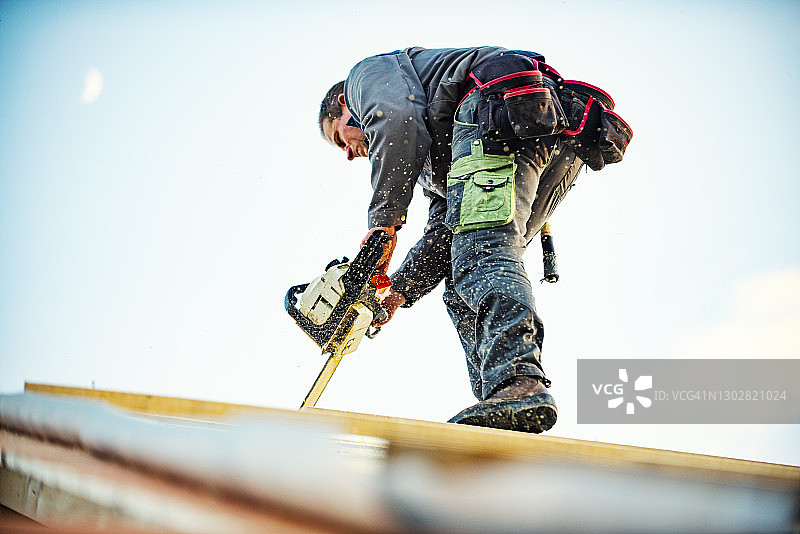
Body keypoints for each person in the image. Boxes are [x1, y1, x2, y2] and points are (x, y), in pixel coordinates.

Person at [318, 46, 631, 433]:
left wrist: (384, 223)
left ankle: (518, 383)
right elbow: (446, 230)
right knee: (466, 280)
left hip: (497, 109)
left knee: (483, 256)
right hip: (545, 128)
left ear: (343, 103)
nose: (349, 154)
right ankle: (503, 408)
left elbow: (395, 120)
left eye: (339, 137)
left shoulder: (363, 78)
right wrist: (398, 291)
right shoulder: (434, 156)